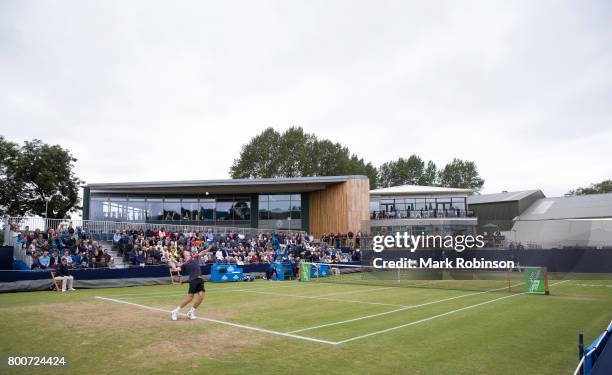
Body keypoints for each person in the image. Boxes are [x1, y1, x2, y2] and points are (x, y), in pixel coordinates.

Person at [170, 249, 205, 321]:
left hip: (200, 279)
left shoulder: (195, 258)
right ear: (184, 255)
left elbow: (202, 253)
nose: (188, 253)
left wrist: (209, 247)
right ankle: (176, 311)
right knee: (190, 298)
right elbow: (176, 269)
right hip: (193, 280)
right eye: (186, 253)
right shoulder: (184, 264)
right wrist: (170, 262)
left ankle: (191, 312)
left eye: (188, 252)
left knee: (201, 296)